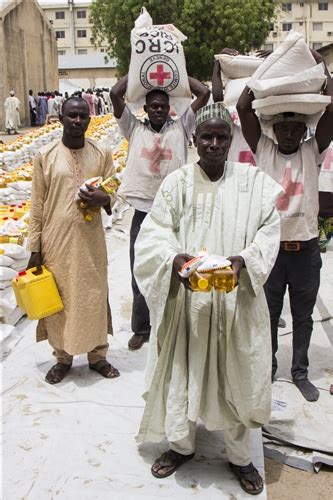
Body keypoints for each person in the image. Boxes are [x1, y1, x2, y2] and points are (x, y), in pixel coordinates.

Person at [134, 103, 282, 495]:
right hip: (190, 305)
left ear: (230, 142)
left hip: (238, 302)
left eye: (221, 137)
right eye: (206, 137)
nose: (214, 144)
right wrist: (173, 260)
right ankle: (181, 444)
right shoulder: (177, 183)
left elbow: (269, 228)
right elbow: (155, 232)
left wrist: (244, 261)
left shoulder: (252, 181)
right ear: (194, 140)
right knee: (185, 372)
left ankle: (239, 457)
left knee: (238, 375)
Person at [236, 49, 333, 402]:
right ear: (273, 129)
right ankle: (270, 367)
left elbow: (332, 107)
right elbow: (245, 108)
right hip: (272, 249)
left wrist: (320, 67)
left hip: (305, 248)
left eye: (295, 128)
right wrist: (265, 69)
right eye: (283, 128)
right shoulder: (263, 149)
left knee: (303, 316)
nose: (289, 134)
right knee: (269, 312)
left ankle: (301, 372)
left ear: (303, 131)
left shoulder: (313, 150)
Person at [110, 74, 210, 350]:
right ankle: (141, 328)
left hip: (174, 212)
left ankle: (171, 325)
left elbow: (203, 94)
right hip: (143, 212)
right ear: (145, 108)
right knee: (139, 269)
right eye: (152, 105)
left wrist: (171, 66)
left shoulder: (181, 127)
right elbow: (115, 95)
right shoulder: (133, 128)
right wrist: (141, 68)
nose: (157, 110)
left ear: (169, 108)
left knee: (177, 269)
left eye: (162, 106)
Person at [27, 97, 119, 384]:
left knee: (94, 295)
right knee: (61, 300)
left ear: (89, 120)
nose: (77, 121)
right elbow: (37, 205)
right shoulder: (46, 155)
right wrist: (34, 248)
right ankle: (63, 358)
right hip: (57, 242)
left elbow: (114, 185)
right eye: (72, 116)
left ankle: (97, 356)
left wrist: (106, 198)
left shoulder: (101, 152)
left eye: (82, 116)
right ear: (61, 118)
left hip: (91, 241)